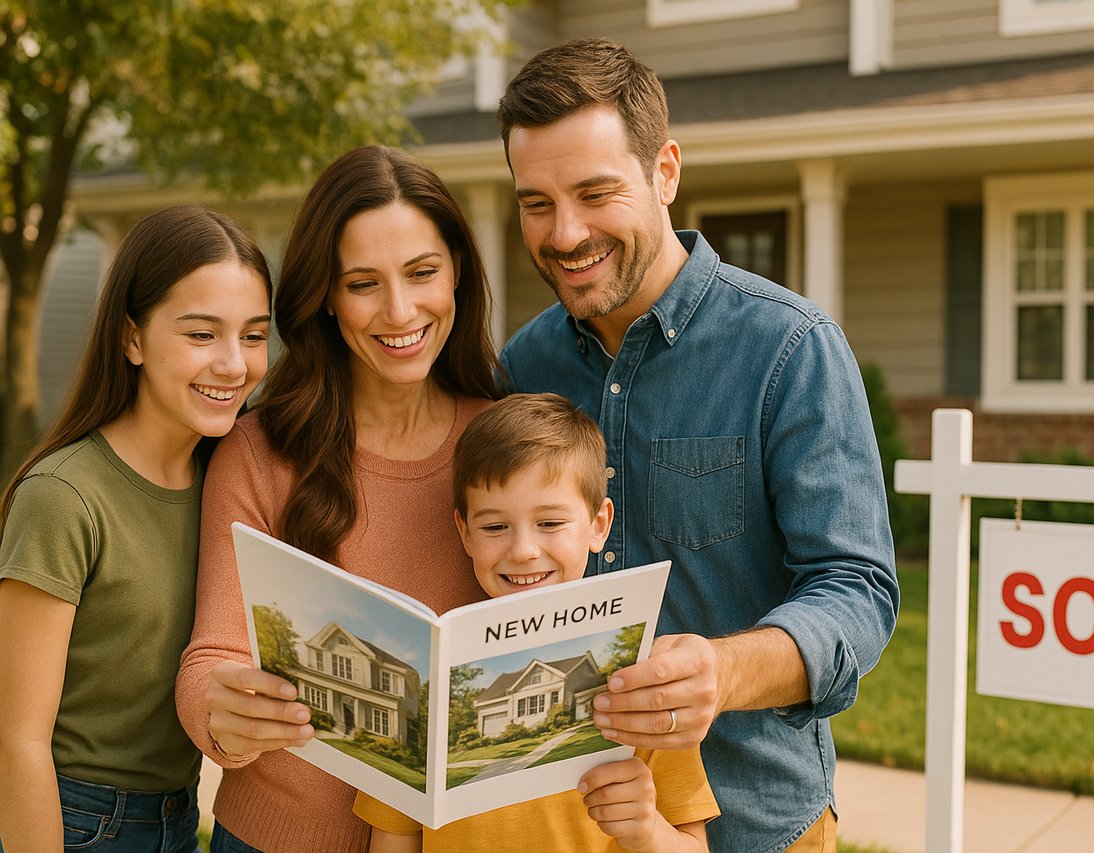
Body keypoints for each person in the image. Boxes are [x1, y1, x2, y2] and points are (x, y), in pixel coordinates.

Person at [495, 38, 900, 852]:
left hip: (754, 822)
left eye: (595, 192)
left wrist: (722, 671)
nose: (565, 232)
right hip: (559, 825)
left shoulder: (791, 348)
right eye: (536, 202)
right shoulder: (523, 367)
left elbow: (858, 590)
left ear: (665, 172)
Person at [174, 145, 501, 853]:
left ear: (458, 276)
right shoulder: (260, 451)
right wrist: (222, 707)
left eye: (422, 273)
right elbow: (210, 657)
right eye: (363, 283)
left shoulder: (506, 438)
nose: (400, 309)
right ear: (325, 292)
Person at [0, 206, 272, 852]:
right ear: (133, 338)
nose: (234, 364)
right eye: (202, 335)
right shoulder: (64, 498)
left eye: (255, 335)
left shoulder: (230, 481)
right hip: (74, 819)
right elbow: (17, 740)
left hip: (180, 820)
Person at [354, 392, 719, 853]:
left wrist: (646, 829)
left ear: (598, 525)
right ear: (464, 532)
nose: (523, 550)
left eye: (549, 523)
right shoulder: (428, 680)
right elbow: (393, 840)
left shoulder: (642, 680)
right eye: (493, 527)